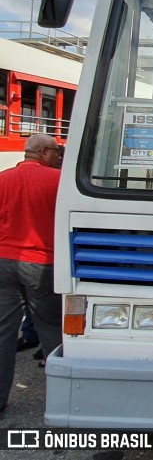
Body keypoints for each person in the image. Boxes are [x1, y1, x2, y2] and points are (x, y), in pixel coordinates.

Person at [0, 134, 63, 413]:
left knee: (3, 334)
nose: (59, 156)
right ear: (44, 152)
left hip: (4, 262)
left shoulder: (2, 179)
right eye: (57, 151)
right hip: (42, 265)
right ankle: (60, 401)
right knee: (51, 332)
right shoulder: (57, 180)